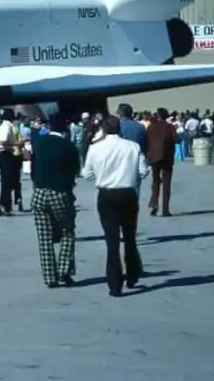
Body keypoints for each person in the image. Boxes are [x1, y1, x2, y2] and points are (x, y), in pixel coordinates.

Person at [82, 115, 149, 297]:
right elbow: (144, 171)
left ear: (103, 128)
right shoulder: (133, 147)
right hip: (127, 193)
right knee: (129, 237)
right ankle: (133, 273)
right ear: (120, 128)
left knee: (111, 241)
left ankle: (114, 282)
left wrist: (101, 175)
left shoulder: (95, 148)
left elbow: (86, 174)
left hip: (106, 194)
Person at [30, 113, 81, 288]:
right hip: (60, 192)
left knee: (44, 237)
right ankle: (64, 271)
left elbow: (33, 168)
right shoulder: (68, 146)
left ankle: (49, 277)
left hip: (39, 192)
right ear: (65, 128)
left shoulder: (39, 143)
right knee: (67, 231)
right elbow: (75, 170)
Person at [145, 108, 179, 217]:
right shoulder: (169, 127)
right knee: (166, 183)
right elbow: (177, 139)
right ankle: (165, 209)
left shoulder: (150, 127)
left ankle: (154, 205)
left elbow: (146, 141)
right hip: (166, 158)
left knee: (155, 181)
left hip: (154, 158)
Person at [0, 109, 24, 216]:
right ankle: (4, 205)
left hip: (5, 154)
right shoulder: (7, 126)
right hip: (7, 154)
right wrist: (17, 143)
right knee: (7, 182)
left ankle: (5, 205)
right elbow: (3, 141)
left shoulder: (2, 126)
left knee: (6, 182)